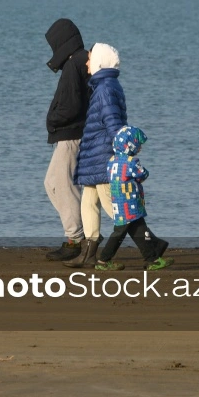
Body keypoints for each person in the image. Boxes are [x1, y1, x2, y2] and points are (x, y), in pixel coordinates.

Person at [64, 43, 125, 268]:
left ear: (99, 62)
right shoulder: (102, 86)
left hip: (102, 157)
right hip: (94, 157)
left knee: (116, 209)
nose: (86, 63)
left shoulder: (106, 88)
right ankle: (88, 253)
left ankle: (150, 247)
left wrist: (119, 151)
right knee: (88, 203)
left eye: (90, 59)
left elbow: (113, 124)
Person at [43, 19, 91, 261]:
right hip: (72, 134)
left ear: (62, 41)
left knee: (63, 185)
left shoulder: (75, 64)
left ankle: (77, 239)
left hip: (72, 134)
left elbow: (72, 106)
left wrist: (51, 120)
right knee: (52, 183)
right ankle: (78, 235)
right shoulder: (79, 61)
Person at [93, 125, 171, 271]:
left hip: (118, 202)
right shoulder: (132, 162)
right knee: (119, 233)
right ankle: (103, 260)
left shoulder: (111, 161)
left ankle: (153, 258)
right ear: (130, 145)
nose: (140, 148)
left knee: (140, 230)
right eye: (138, 145)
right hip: (130, 203)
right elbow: (143, 174)